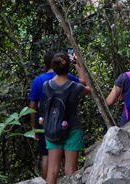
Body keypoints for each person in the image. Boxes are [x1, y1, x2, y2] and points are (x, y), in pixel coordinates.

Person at [29, 50, 85, 180]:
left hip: (48, 124)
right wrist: (77, 64)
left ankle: (44, 181)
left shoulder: (40, 82)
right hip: (70, 124)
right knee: (70, 169)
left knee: (48, 160)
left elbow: (32, 105)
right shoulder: (69, 79)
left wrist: (34, 127)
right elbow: (84, 84)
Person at [42, 52, 90, 184]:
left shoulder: (46, 86)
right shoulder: (76, 87)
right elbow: (89, 88)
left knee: (52, 171)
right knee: (70, 170)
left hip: (52, 128)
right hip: (73, 129)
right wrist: (78, 66)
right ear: (68, 67)